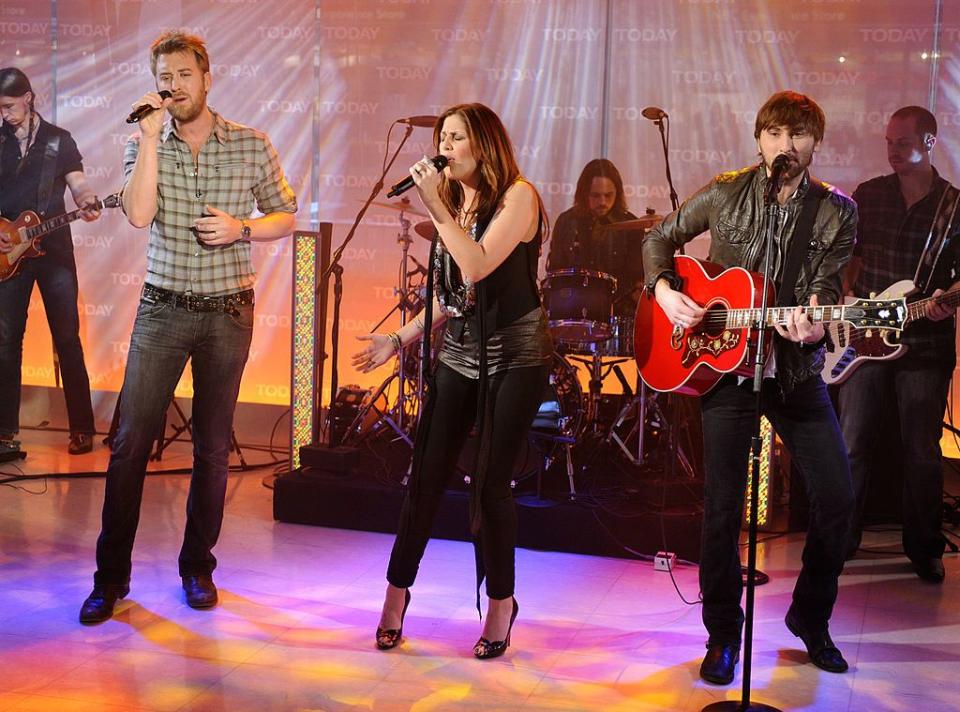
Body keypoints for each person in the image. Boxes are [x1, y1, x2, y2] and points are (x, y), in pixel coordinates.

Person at [79, 31, 296, 624]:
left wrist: (242, 228)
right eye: (163, 76)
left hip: (228, 312)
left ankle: (197, 566)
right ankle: (110, 579)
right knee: (128, 445)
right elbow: (140, 213)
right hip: (163, 308)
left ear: (207, 77)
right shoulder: (143, 144)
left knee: (212, 448)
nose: (172, 85)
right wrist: (149, 141)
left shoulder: (251, 144)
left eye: (182, 74)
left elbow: (286, 213)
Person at [643, 91, 857, 684]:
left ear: (816, 142)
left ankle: (810, 619)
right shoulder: (726, 190)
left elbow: (826, 286)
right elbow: (658, 237)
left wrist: (812, 321)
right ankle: (722, 636)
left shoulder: (837, 211)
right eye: (775, 134)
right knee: (721, 510)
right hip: (725, 368)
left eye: (799, 135)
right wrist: (666, 293)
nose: (786, 146)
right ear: (758, 139)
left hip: (793, 373)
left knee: (837, 498)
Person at [352, 103, 551, 659]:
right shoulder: (456, 204)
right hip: (459, 353)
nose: (445, 147)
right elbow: (449, 295)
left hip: (516, 355)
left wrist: (437, 206)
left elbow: (479, 265)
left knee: (489, 485)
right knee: (425, 477)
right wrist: (398, 339)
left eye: (456, 137)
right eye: (442, 137)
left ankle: (501, 606)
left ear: (483, 144)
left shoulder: (519, 197)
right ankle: (395, 599)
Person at [839, 106, 959, 583]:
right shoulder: (868, 195)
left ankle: (924, 547)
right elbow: (850, 256)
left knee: (922, 450)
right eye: (887, 140)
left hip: (925, 342)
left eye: (901, 142)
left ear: (930, 143)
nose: (891, 149)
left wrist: (944, 303)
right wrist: (844, 299)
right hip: (864, 336)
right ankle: (839, 537)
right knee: (851, 443)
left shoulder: (954, 207)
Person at [0, 67, 99, 457]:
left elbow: (79, 183)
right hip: (8, 256)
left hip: (54, 253)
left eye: (8, 106)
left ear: (28, 97)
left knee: (67, 339)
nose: (4, 114)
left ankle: (82, 428)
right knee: (6, 342)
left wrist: (88, 201)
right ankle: (5, 433)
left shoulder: (59, 140)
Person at [547, 158, 640, 316]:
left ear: (617, 194)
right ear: (584, 194)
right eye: (595, 196)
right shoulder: (566, 221)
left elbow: (637, 277)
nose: (603, 202)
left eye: (608, 195)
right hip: (573, 311)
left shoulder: (631, 225)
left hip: (617, 312)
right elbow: (555, 272)